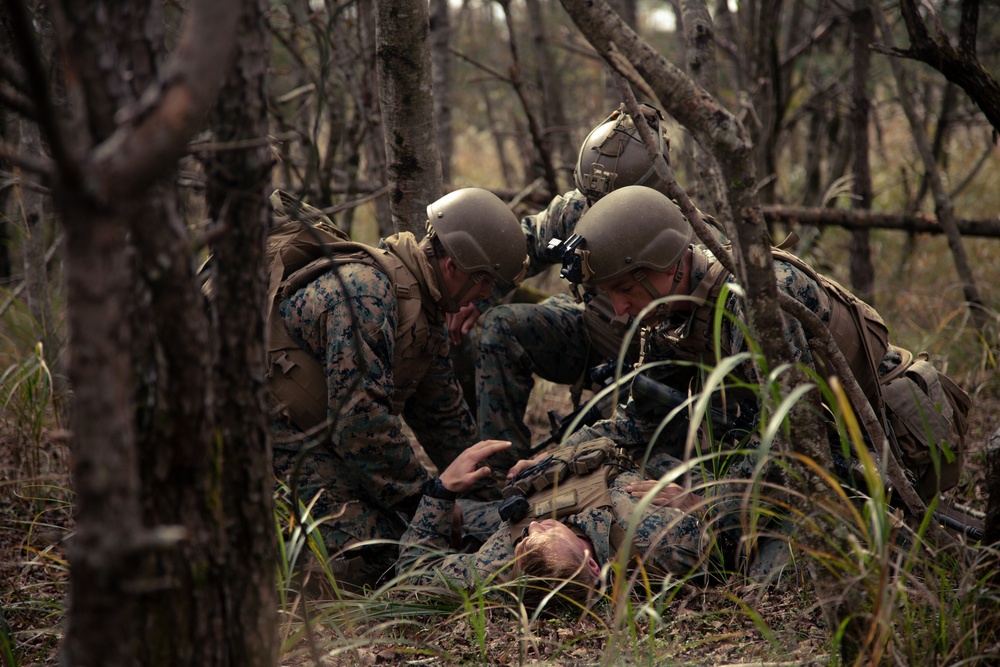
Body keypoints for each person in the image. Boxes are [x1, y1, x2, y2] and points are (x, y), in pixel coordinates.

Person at [537, 185, 972, 569]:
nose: (620, 311)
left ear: (664, 267)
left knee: (764, 568)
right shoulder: (672, 311)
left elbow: (793, 437)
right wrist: (557, 458)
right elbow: (638, 421)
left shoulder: (758, 299)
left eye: (625, 292)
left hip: (870, 452)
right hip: (784, 453)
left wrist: (711, 498)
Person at [270, 187, 529, 587]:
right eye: (484, 283)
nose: (483, 297)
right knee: (379, 557)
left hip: (317, 442)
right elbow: (359, 421)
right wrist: (428, 498)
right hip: (270, 440)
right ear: (456, 265)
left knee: (424, 536)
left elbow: (443, 419)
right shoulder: (365, 292)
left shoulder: (425, 309)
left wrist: (499, 491)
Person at [457, 103, 722, 472]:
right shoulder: (576, 210)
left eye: (609, 203)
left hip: (661, 369)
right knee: (502, 328)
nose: (596, 211)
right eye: (593, 200)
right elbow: (521, 247)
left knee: (624, 454)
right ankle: (500, 475)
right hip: (593, 333)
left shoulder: (690, 238)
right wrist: (479, 295)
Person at [395, 438, 712, 608]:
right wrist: (698, 504)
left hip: (516, 497)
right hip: (641, 446)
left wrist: (441, 492)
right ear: (590, 566)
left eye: (526, 538)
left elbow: (411, 583)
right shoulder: (658, 541)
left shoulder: (500, 567)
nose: (534, 526)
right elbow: (738, 529)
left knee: (403, 517)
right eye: (546, 530)